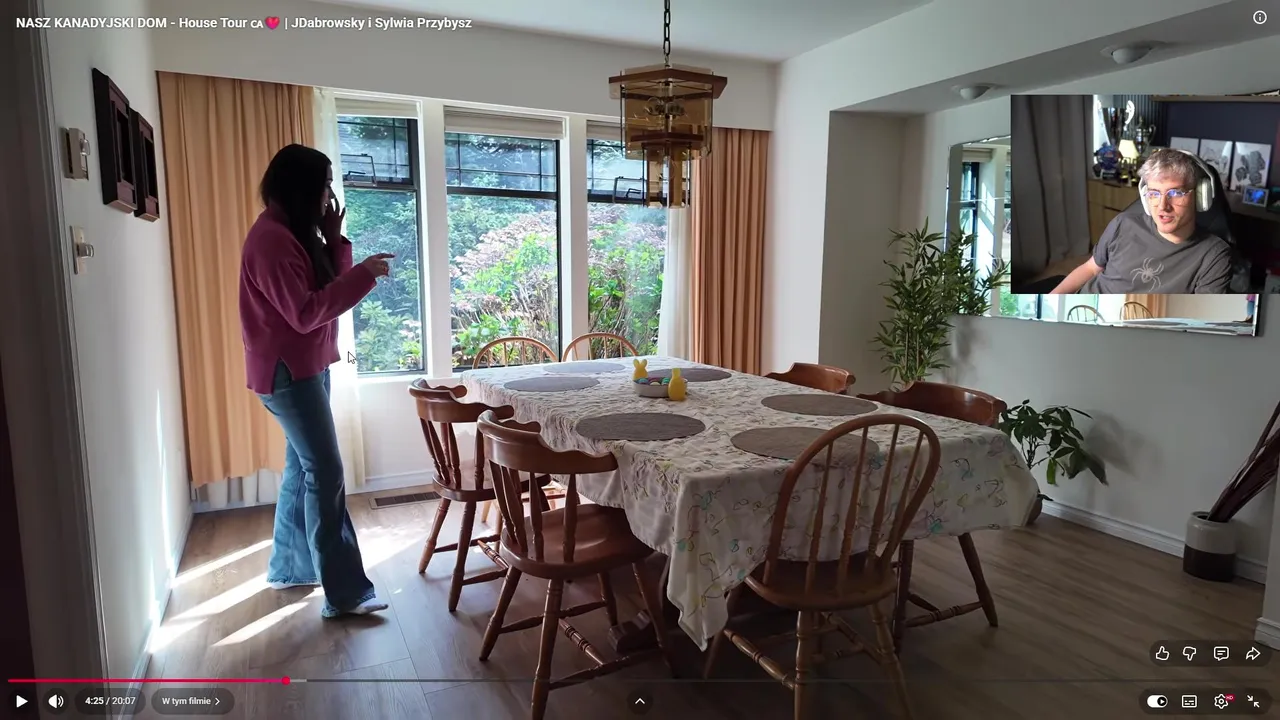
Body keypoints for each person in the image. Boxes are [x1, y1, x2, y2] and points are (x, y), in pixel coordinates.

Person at [239, 144, 395, 618]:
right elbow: (306, 313)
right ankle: (345, 594)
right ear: (302, 187)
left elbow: (327, 289)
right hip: (289, 374)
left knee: (302, 470)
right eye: (325, 184)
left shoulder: (292, 233)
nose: (329, 193)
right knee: (326, 473)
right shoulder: (271, 240)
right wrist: (364, 275)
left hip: (304, 368)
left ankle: (289, 568)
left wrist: (333, 238)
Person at [1046, 148, 1233, 294]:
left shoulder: (1214, 255)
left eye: (1175, 193)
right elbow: (1091, 268)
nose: (1162, 206)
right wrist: (1051, 301)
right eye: (1154, 193)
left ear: (1200, 196)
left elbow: (1200, 320)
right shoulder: (1123, 224)